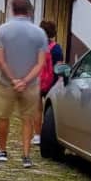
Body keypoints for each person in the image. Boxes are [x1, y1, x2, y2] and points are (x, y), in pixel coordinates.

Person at [0, 0, 46, 168]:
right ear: (29, 11)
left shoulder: (3, 30)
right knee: (27, 119)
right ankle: (26, 155)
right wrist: (25, 81)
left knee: (3, 117)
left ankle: (2, 151)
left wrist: (14, 80)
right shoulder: (40, 33)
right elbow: (40, 63)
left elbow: (0, 60)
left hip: (7, 83)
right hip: (30, 85)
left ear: (12, 10)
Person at [32, 19, 64, 147]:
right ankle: (49, 135)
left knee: (37, 109)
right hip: (52, 83)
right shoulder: (56, 49)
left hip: (37, 81)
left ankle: (37, 136)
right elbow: (60, 67)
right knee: (50, 110)